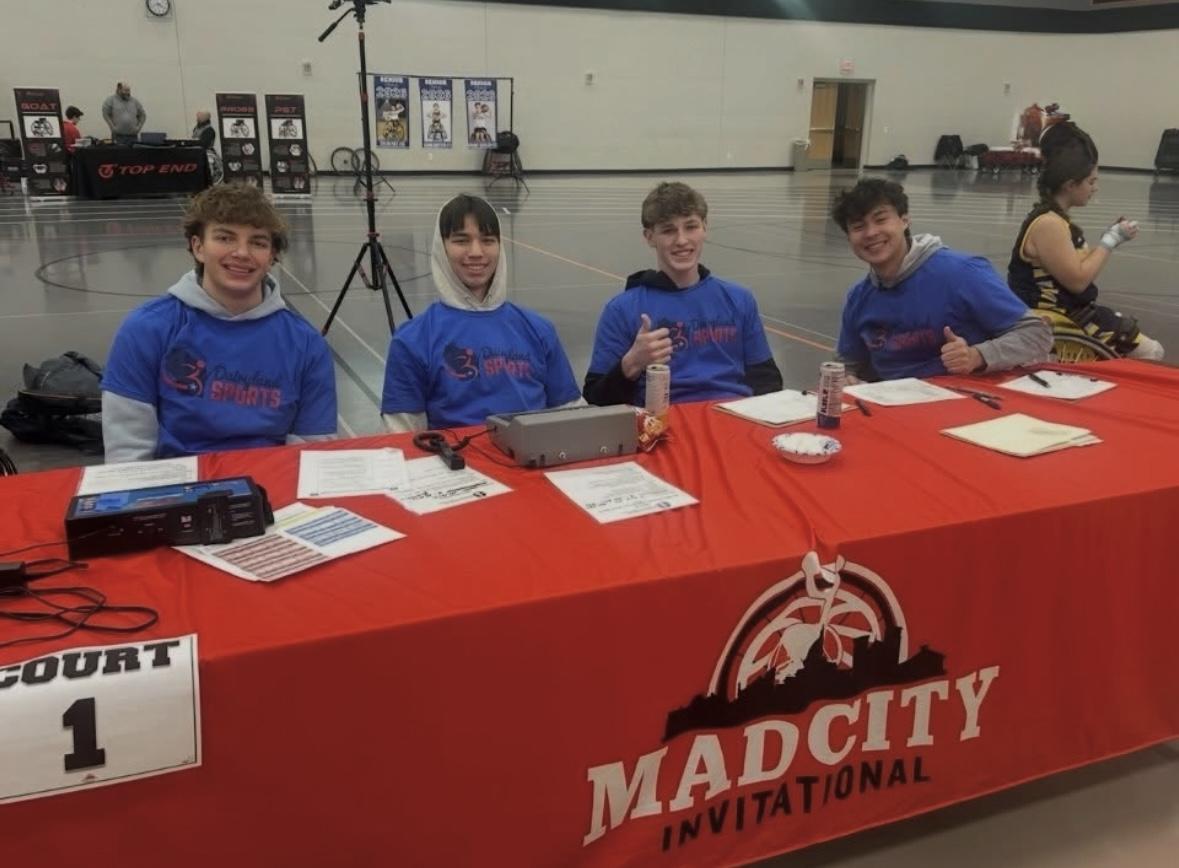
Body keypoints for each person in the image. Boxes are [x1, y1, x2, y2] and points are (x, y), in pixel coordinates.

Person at [101, 183, 337, 462]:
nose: (242, 253)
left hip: (270, 482)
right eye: (225, 238)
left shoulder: (307, 344)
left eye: (258, 242)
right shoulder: (146, 329)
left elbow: (311, 454)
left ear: (272, 256)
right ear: (198, 247)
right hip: (178, 482)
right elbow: (127, 453)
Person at [381, 194, 581, 432]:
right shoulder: (412, 340)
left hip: (531, 455)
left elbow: (572, 415)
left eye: (487, 240)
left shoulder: (538, 329)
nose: (476, 252)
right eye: (461, 240)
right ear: (441, 248)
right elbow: (402, 435)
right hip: (452, 457)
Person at [832, 178, 1052, 381]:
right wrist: (845, 379)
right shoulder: (859, 298)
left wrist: (977, 356)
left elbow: (1037, 335)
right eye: (858, 227)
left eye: (880, 220)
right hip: (889, 404)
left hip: (964, 400)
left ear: (904, 220)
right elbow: (847, 365)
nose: (871, 233)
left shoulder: (961, 273)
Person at [584, 182, 783, 406]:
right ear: (649, 237)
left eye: (691, 227)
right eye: (668, 230)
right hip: (664, 420)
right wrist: (631, 364)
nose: (681, 240)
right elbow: (596, 399)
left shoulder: (739, 299)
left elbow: (767, 381)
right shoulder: (622, 309)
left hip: (731, 417)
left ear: (705, 228)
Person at [1008, 123, 1164, 360]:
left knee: (1145, 347)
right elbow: (1078, 281)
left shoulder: (1057, 220)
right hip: (1052, 319)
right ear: (1070, 185)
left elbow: (1076, 268)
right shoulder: (1049, 224)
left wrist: (1110, 237)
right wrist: (1110, 240)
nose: (1095, 188)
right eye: (1091, 182)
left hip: (1068, 313)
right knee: (1150, 352)